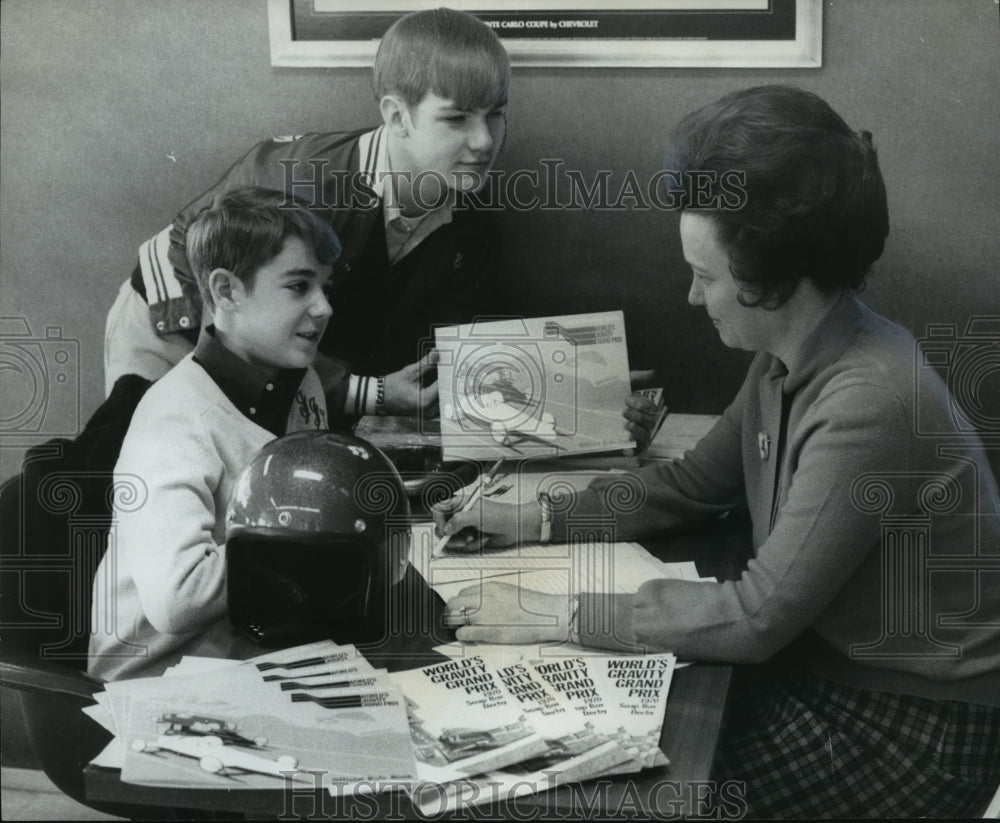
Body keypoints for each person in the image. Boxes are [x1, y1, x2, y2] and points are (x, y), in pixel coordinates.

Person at [433, 86, 1000, 818]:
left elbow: (755, 617)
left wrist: (548, 611)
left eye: (706, 276)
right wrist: (536, 516)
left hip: (908, 727)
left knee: (625, 792)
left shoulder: (870, 397)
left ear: (772, 284)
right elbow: (692, 483)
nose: (692, 297)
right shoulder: (794, 351)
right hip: (825, 671)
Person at [103, 7, 510, 422]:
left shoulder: (467, 212)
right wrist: (372, 392)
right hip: (183, 312)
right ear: (396, 117)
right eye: (457, 118)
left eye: (495, 113)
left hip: (283, 339)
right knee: (162, 460)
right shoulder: (305, 188)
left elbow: (434, 345)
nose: (483, 141)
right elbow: (245, 332)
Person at [88, 187, 340, 681]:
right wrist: (313, 528)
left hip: (252, 652)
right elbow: (177, 599)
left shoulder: (300, 380)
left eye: (326, 287)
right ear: (225, 292)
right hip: (156, 684)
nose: (324, 307)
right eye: (299, 286)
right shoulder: (175, 421)